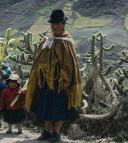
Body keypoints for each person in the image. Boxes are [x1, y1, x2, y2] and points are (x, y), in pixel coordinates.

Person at [25, 9, 82, 142]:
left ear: (63, 24)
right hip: (45, 81)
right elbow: (38, 58)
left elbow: (70, 63)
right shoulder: (47, 39)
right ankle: (46, 131)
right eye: (53, 24)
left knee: (58, 108)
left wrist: (66, 79)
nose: (55, 26)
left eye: (58, 23)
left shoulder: (66, 41)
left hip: (60, 82)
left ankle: (56, 133)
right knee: (46, 106)